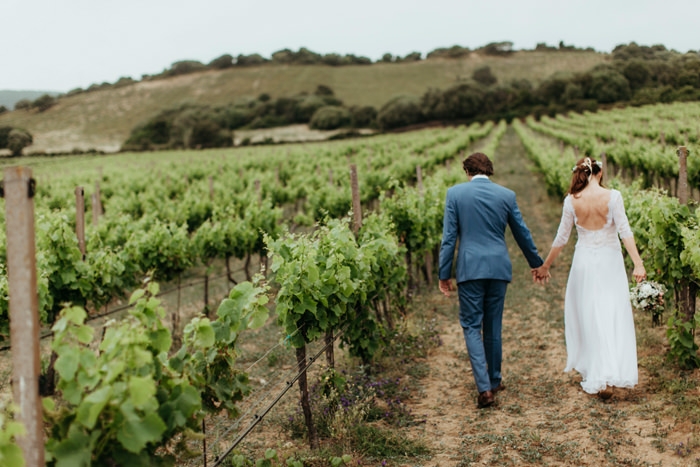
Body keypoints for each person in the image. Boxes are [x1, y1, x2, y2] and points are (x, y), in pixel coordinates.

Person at [439, 152, 544, 408]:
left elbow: (449, 238)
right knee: (493, 325)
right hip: (498, 267)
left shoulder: (455, 194)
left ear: (467, 172)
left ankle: (484, 388)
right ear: (490, 171)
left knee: (472, 325)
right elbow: (522, 232)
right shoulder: (506, 195)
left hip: (470, 268)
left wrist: (444, 274)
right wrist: (536, 263)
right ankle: (495, 380)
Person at [534, 157, 645, 399]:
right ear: (600, 172)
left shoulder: (571, 201)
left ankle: (599, 374)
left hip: (584, 262)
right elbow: (625, 230)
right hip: (610, 262)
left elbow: (561, 238)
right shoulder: (613, 196)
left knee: (590, 314)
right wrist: (638, 263)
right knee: (612, 312)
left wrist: (545, 265)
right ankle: (610, 372)